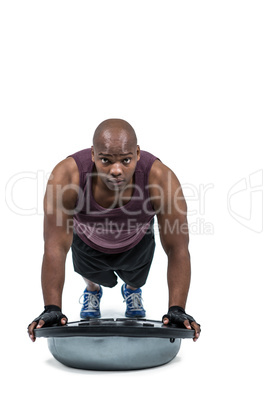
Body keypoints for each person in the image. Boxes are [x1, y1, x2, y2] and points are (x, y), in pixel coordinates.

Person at [28, 118, 201, 342]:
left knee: (136, 280)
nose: (116, 170)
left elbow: (178, 248)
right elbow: (54, 246)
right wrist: (52, 307)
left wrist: (177, 309)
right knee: (90, 276)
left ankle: (132, 291)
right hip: (87, 241)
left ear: (138, 154)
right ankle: (92, 290)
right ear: (93, 154)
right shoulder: (67, 176)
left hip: (136, 242)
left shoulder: (160, 179)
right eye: (106, 160)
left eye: (126, 160)